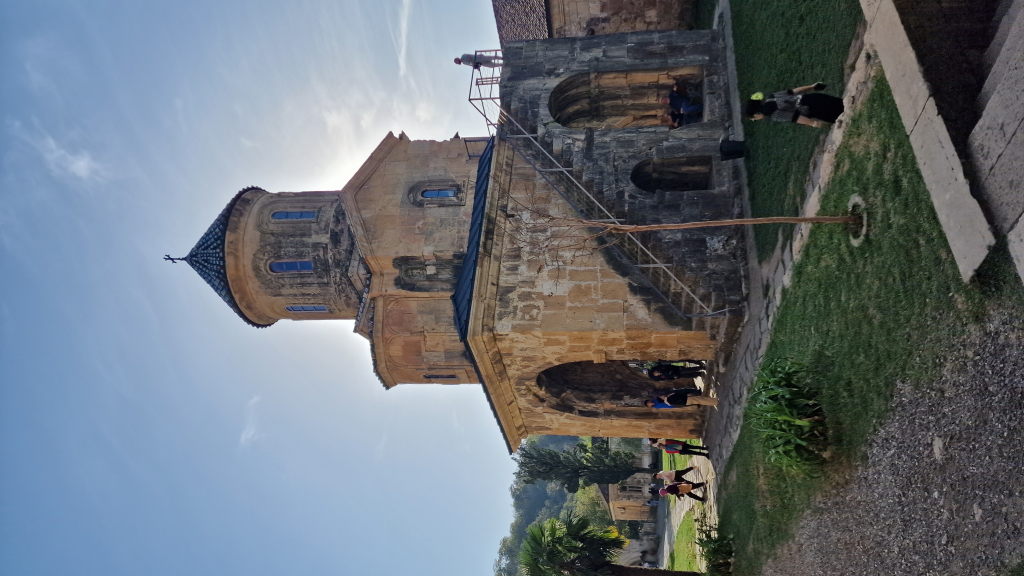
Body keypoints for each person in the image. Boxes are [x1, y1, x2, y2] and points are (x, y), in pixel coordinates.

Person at [745, 82, 844, 128]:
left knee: (842, 116)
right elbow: (793, 91)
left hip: (814, 109)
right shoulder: (771, 96)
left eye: (754, 118)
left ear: (756, 113)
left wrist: (814, 124)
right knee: (845, 104)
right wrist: (812, 87)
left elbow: (795, 117)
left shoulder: (773, 114)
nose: (755, 119)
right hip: (813, 97)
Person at [645, 388, 718, 408]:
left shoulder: (667, 400)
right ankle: (714, 402)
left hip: (685, 401)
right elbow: (677, 395)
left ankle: (713, 401)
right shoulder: (668, 398)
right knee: (700, 400)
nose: (662, 395)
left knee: (700, 400)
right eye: (661, 396)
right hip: (685, 399)